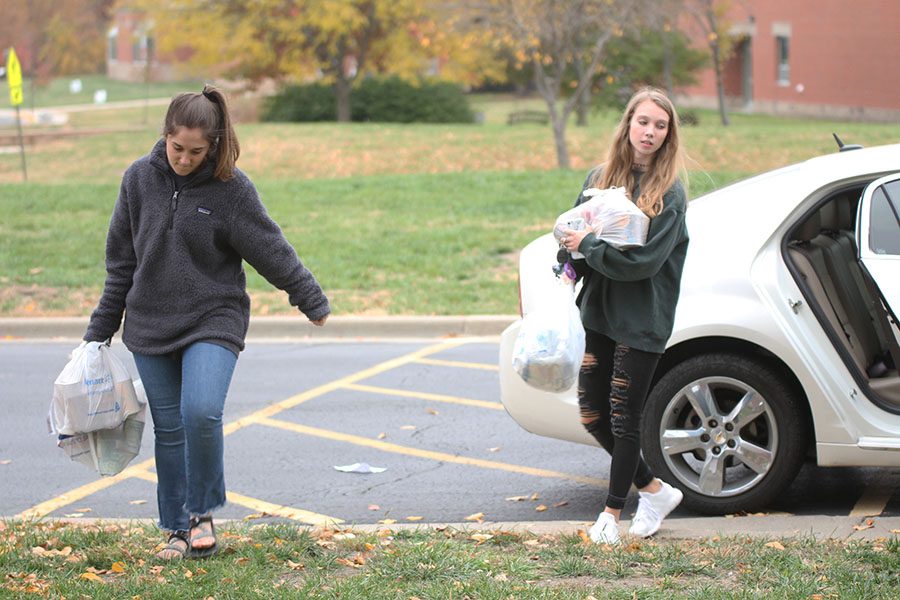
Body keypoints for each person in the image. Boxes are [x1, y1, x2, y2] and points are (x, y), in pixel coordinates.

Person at [83, 85, 330, 560]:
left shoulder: (230, 188)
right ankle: (177, 528)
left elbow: (268, 248)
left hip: (213, 316)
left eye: (197, 151)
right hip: (150, 322)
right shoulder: (138, 180)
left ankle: (203, 512)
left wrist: (309, 297)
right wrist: (99, 331)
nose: (184, 159)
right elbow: (121, 264)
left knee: (201, 411)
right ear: (165, 135)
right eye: (178, 148)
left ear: (212, 145)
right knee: (169, 427)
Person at [558, 87, 689, 544]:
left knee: (624, 420)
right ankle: (654, 491)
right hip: (598, 313)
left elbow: (644, 264)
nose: (650, 132)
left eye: (660, 125)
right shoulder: (600, 177)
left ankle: (611, 516)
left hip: (641, 320)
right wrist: (568, 260)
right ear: (628, 124)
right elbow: (573, 234)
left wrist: (588, 247)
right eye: (643, 122)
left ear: (668, 134)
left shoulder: (670, 193)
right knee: (593, 416)